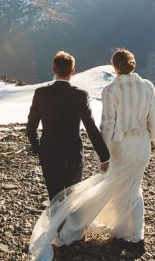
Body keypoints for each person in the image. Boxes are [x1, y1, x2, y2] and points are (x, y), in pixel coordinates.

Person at [29, 48, 155, 261]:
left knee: (64, 194)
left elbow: (106, 125)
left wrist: (107, 153)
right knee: (132, 188)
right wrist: (149, 139)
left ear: (115, 67)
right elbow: (154, 120)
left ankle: (64, 236)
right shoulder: (148, 87)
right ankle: (133, 234)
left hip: (115, 145)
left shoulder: (111, 90)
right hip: (140, 145)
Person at [26, 51, 110, 201]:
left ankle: (56, 224)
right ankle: (71, 224)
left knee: (55, 198)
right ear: (73, 71)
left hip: (49, 154)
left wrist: (37, 148)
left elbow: (31, 126)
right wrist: (104, 156)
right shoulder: (80, 95)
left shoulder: (40, 94)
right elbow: (91, 128)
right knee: (72, 198)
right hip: (73, 154)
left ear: (54, 70)